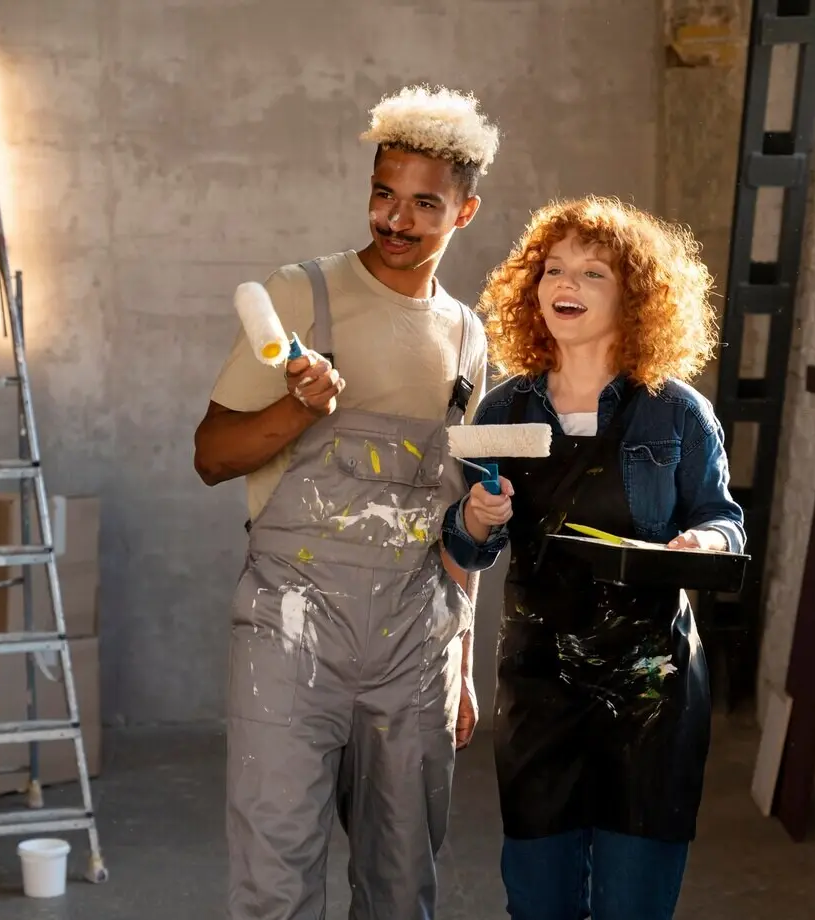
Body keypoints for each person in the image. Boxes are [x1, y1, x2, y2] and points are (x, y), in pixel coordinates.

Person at [193, 85, 501, 920]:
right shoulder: (303, 296)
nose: (396, 220)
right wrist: (301, 408)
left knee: (403, 886)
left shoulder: (468, 336)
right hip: (292, 631)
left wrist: (462, 664)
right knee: (276, 878)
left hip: (417, 643)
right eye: (383, 195)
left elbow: (461, 516)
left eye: (424, 204)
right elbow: (211, 458)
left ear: (464, 211)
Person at [440, 196, 745, 920]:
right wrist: (476, 519)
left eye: (592, 272)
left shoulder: (676, 412)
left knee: (633, 904)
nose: (564, 285)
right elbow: (463, 548)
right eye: (552, 269)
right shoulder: (503, 413)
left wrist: (703, 542)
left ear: (636, 295)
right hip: (539, 683)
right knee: (538, 898)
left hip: (651, 689)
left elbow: (722, 518)